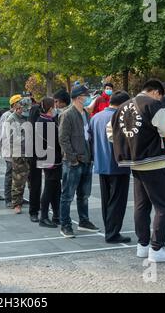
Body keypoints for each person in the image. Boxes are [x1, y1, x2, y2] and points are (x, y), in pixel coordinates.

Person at [109, 79, 165, 263]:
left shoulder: (122, 107)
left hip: (134, 163)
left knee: (142, 205)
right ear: (156, 92)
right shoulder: (154, 105)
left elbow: (110, 132)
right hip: (154, 162)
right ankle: (157, 248)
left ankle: (143, 245)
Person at [58, 85, 100, 238]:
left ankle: (84, 221)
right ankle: (65, 225)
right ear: (77, 97)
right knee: (67, 195)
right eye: (85, 95)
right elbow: (63, 138)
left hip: (87, 160)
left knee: (84, 194)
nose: (88, 97)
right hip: (73, 162)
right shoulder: (67, 114)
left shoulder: (86, 113)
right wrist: (72, 158)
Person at [90, 91, 131, 244]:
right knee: (117, 200)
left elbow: (90, 139)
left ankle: (109, 229)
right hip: (118, 164)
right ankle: (113, 232)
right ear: (123, 104)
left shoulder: (96, 117)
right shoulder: (121, 117)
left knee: (106, 199)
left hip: (101, 163)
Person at [37, 97, 62, 228]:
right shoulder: (45, 121)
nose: (56, 107)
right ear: (50, 108)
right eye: (54, 105)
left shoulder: (47, 119)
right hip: (49, 159)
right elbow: (56, 141)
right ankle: (44, 217)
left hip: (52, 158)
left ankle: (57, 215)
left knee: (56, 187)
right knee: (49, 188)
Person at [7, 95, 32, 214]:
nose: (25, 112)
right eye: (23, 109)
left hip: (30, 152)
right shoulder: (11, 119)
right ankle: (16, 203)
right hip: (18, 152)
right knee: (18, 180)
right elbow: (12, 138)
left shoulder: (27, 116)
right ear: (18, 107)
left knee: (32, 179)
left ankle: (34, 200)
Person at [0, 95, 18, 209]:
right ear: (14, 104)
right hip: (9, 149)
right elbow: (3, 134)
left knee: (18, 175)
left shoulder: (21, 115)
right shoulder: (7, 116)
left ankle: (16, 197)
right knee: (10, 173)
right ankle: (8, 198)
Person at [28, 94, 43, 222]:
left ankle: (36, 209)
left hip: (41, 154)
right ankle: (34, 210)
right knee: (35, 183)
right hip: (35, 154)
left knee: (36, 183)